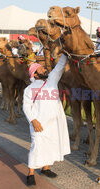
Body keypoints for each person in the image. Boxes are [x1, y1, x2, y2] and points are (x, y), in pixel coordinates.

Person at [23, 54, 70, 186]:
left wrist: (65, 53)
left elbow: (60, 66)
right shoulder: (29, 89)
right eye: (41, 69)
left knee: (50, 145)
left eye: (44, 68)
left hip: (54, 123)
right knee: (37, 146)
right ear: (35, 75)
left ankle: (45, 169)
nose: (45, 70)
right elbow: (26, 107)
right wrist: (33, 120)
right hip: (39, 124)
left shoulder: (52, 80)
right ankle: (31, 173)